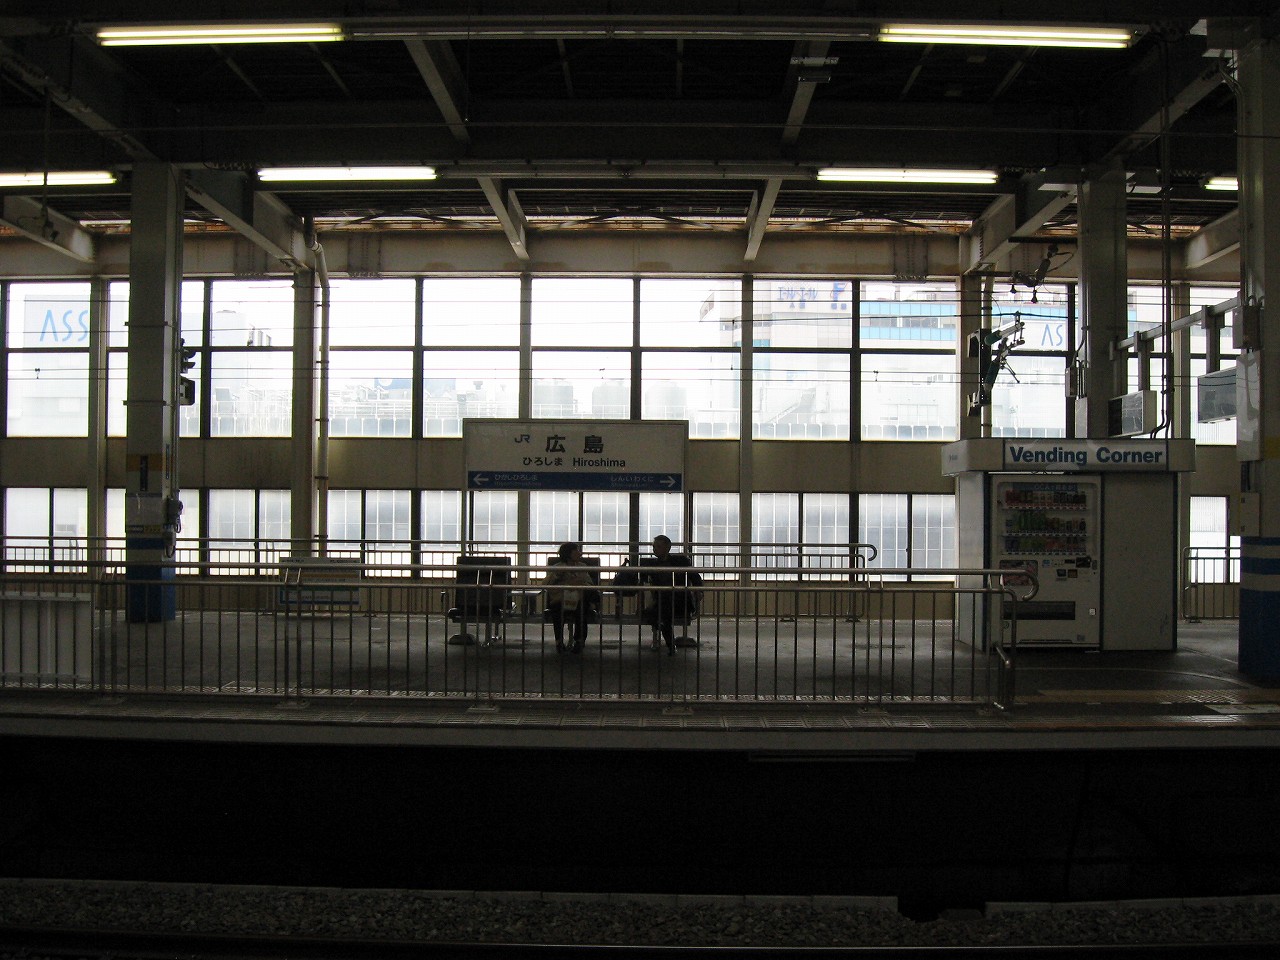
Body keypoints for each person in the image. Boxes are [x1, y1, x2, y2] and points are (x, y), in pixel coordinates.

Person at [639, 535, 703, 655]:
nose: (655, 549)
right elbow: (642, 580)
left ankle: (669, 643)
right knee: (662, 611)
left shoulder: (680, 562)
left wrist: (698, 590)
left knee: (660, 612)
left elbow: (695, 576)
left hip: (679, 601)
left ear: (667, 548)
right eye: (654, 547)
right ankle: (670, 645)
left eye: (658, 547)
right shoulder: (652, 565)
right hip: (664, 602)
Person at [543, 542, 597, 653]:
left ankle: (579, 641)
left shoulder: (582, 567)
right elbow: (546, 584)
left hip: (578, 598)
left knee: (581, 609)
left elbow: (590, 584)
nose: (579, 553)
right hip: (561, 599)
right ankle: (559, 641)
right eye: (576, 550)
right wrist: (560, 578)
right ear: (568, 553)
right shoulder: (557, 568)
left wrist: (578, 584)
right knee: (557, 610)